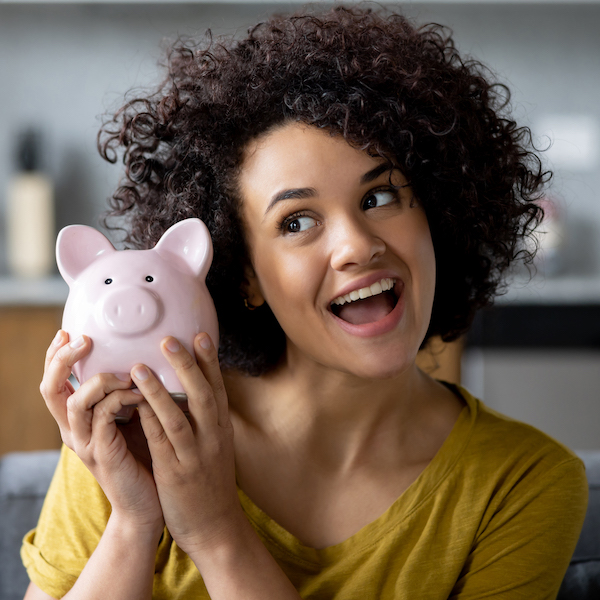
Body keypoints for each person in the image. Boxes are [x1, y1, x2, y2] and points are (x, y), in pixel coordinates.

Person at [22, 5, 587, 599]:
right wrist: (134, 523)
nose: (357, 246)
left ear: (438, 217)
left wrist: (217, 534)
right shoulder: (144, 425)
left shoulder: (524, 483)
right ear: (245, 277)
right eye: (297, 221)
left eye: (380, 198)